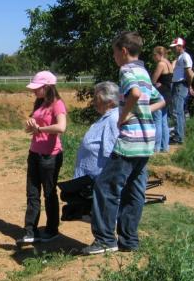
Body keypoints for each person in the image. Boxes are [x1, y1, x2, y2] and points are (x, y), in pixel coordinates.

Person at [82, 31, 165, 255]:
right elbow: (161, 100)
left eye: (114, 53)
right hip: (147, 141)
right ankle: (129, 240)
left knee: (104, 187)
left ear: (124, 51)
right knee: (134, 190)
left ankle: (105, 240)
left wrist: (123, 116)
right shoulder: (144, 72)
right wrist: (140, 114)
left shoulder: (127, 70)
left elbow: (135, 94)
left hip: (130, 141)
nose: (114, 57)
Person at [17, 71, 67, 244]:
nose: (34, 91)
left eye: (37, 88)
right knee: (32, 193)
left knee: (49, 193)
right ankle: (30, 230)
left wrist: (40, 129)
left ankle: (52, 229)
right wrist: (31, 126)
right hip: (35, 153)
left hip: (50, 156)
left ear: (47, 87)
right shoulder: (39, 103)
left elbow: (61, 127)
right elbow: (32, 129)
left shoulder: (57, 104)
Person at [59, 81, 119, 221]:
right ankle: (101, 240)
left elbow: (111, 152)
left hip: (99, 180)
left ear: (109, 101)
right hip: (91, 180)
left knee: (101, 216)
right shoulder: (107, 117)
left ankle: (104, 241)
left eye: (96, 98)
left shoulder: (112, 120)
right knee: (91, 214)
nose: (93, 102)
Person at [169, 37, 194, 144]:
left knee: (177, 111)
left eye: (175, 47)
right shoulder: (180, 57)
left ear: (180, 46)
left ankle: (179, 137)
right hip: (178, 84)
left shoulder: (185, 57)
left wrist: (189, 85)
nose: (174, 49)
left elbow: (190, 73)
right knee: (178, 110)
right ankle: (179, 134)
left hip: (181, 84)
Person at [151, 46, 173, 152]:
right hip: (168, 94)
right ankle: (165, 147)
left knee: (157, 121)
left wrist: (154, 83)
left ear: (159, 54)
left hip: (160, 95)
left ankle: (156, 147)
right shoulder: (169, 63)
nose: (153, 57)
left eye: (154, 55)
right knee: (164, 121)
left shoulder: (161, 64)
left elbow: (153, 79)